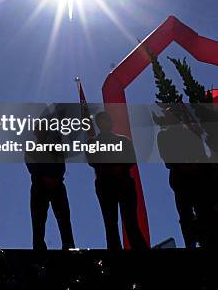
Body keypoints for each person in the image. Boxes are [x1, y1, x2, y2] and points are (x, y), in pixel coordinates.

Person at [87, 111, 149, 250]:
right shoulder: (93, 142)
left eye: (106, 120)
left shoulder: (123, 140)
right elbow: (92, 160)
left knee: (131, 223)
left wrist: (118, 168)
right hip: (105, 185)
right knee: (110, 225)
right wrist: (111, 168)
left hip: (124, 183)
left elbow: (131, 158)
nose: (104, 123)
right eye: (101, 121)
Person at [157, 105, 210, 248]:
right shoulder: (163, 136)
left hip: (196, 177)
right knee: (186, 217)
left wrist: (194, 165)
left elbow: (201, 153)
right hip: (180, 180)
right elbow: (167, 159)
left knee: (203, 212)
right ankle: (191, 243)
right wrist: (182, 165)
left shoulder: (190, 132)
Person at [25, 123, 75, 250]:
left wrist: (55, 178)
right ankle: (38, 246)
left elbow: (61, 165)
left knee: (63, 217)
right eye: (39, 129)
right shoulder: (31, 148)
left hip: (56, 185)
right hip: (39, 187)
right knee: (38, 220)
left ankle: (68, 244)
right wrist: (44, 177)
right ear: (35, 132)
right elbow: (31, 166)